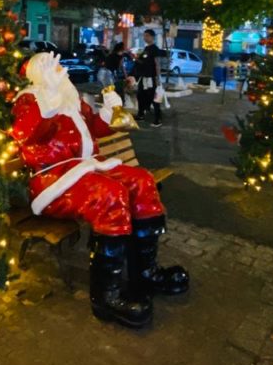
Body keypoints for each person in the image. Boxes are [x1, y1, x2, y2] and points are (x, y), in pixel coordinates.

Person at [10, 52, 188, 328]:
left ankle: (145, 276)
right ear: (39, 74)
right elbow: (28, 134)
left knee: (142, 181)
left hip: (87, 167)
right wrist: (51, 99)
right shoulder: (30, 99)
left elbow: (96, 128)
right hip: (54, 180)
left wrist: (108, 110)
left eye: (60, 66)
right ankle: (107, 297)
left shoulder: (72, 100)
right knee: (109, 195)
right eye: (54, 67)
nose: (61, 71)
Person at [133, 29, 163, 127]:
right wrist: (136, 58)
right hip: (144, 77)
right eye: (144, 36)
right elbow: (142, 62)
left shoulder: (155, 49)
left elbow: (157, 64)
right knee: (140, 95)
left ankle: (157, 119)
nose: (145, 38)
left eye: (147, 36)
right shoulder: (145, 48)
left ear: (152, 37)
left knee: (154, 98)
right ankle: (140, 114)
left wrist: (158, 78)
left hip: (151, 77)